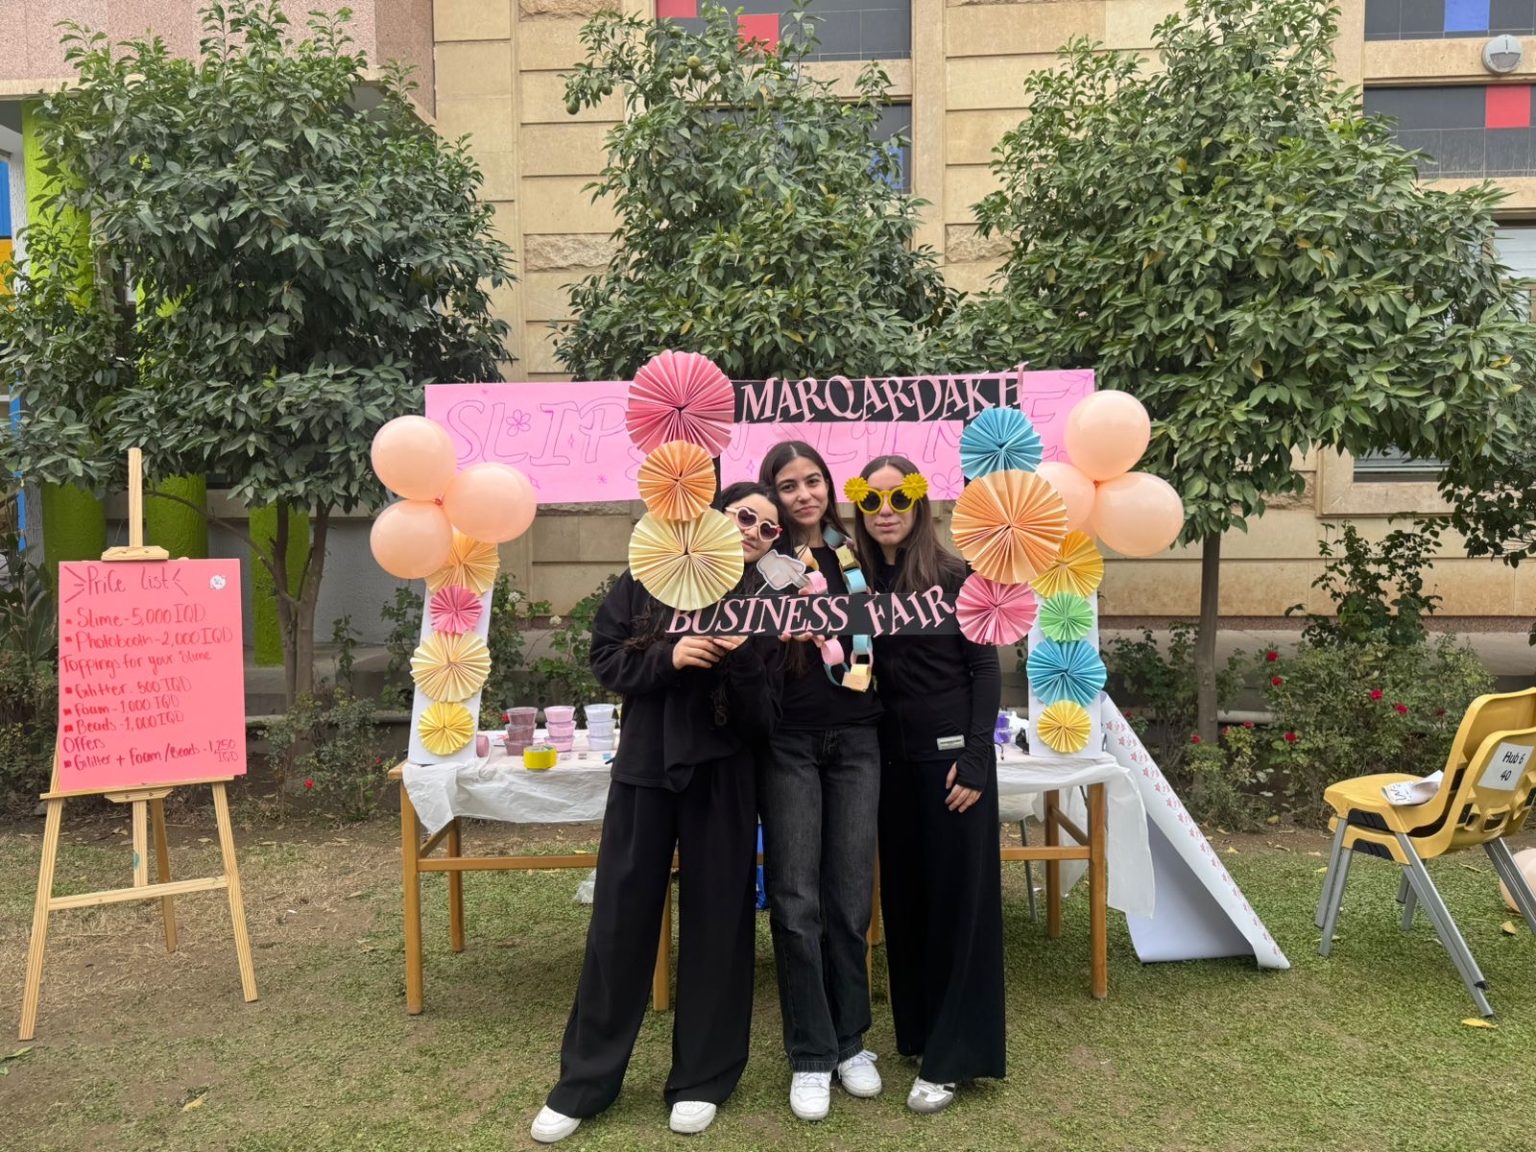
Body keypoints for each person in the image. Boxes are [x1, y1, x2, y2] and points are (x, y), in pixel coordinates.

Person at [531, 482, 786, 1143]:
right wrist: (670, 657)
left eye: (769, 528)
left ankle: (704, 1077)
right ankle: (584, 1082)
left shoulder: (765, 602)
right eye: (746, 516)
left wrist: (741, 660)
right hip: (646, 769)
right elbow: (605, 659)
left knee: (719, 923)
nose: (755, 531)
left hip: (724, 778)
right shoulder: (646, 577)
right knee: (619, 921)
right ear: (716, 517)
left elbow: (765, 721)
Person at [849, 453, 1006, 1114]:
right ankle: (918, 1034)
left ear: (920, 504)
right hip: (888, 764)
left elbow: (985, 671)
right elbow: (855, 671)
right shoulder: (857, 582)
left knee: (957, 906)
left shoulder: (956, 576)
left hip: (950, 767)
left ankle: (953, 1058)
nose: (885, 511)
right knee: (907, 904)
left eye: (899, 497)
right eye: (871, 499)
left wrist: (976, 758)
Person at [756, 441, 884, 1121]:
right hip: (790, 743)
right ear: (772, 495)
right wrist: (775, 638)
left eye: (813, 481)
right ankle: (810, 1053)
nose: (803, 494)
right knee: (795, 900)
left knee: (850, 898)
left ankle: (851, 1042)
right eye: (788, 485)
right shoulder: (762, 564)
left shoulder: (859, 554)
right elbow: (740, 649)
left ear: (829, 486)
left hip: (859, 739)